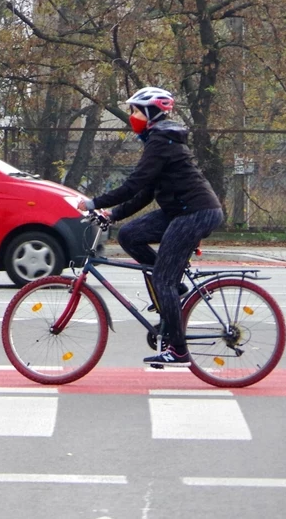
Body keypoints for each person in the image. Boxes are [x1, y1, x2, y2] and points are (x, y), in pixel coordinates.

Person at [77, 87, 223, 367]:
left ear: (151, 113)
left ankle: (178, 350)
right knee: (130, 235)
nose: (131, 117)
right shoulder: (159, 141)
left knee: (162, 280)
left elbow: (133, 185)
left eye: (135, 111)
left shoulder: (161, 140)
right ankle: (174, 289)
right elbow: (144, 193)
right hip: (180, 211)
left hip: (195, 213)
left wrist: (94, 202)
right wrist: (114, 215)